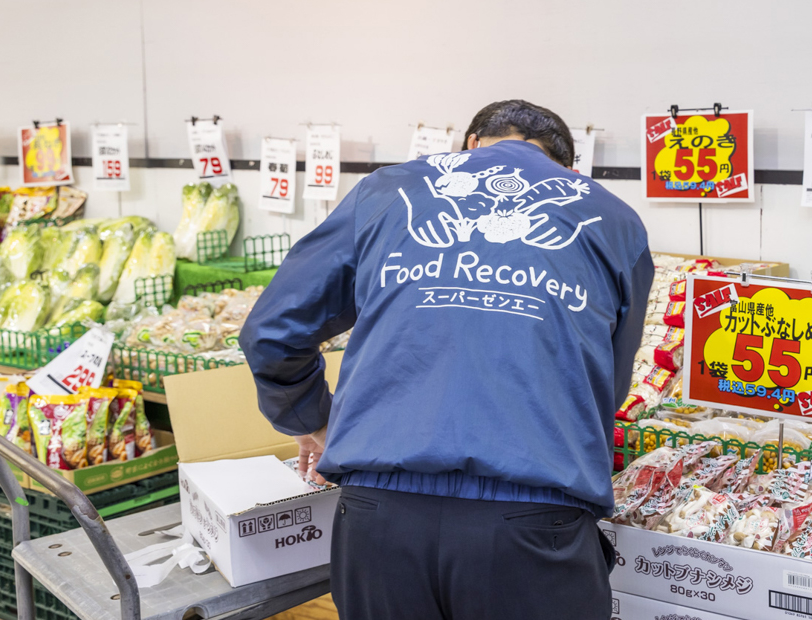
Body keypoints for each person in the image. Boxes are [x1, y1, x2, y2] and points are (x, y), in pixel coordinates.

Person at [240, 99, 653, 619]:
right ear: (568, 168)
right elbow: (607, 388)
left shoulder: (385, 191)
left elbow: (272, 332)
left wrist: (313, 422)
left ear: (468, 147)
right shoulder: (614, 219)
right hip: (533, 523)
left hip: (379, 520)